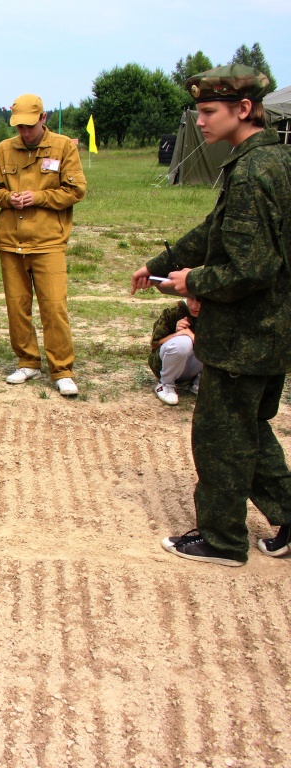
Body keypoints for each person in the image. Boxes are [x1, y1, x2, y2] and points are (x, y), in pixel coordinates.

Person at [131, 64, 291, 566]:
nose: (200, 121)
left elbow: (252, 267)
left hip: (245, 335)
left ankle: (222, 541)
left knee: (221, 438)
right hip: (273, 332)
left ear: (244, 110)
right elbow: (214, 231)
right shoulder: (276, 161)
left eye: (208, 111)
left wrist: (189, 281)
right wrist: (160, 263)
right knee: (249, 427)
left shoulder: (251, 172)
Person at [0, 93, 86, 397]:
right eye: (20, 127)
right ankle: (27, 360)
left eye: (30, 126)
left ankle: (62, 369)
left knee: (54, 306)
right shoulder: (4, 149)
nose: (25, 133)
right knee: (17, 306)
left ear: (43, 119)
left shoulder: (63, 147)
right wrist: (9, 198)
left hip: (48, 242)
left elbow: (76, 189)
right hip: (11, 241)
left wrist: (39, 197)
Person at [148, 296, 202, 406]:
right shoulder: (174, 310)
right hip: (164, 363)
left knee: (212, 346)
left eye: (200, 301)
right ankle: (165, 384)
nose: (194, 305)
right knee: (182, 343)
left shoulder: (215, 314)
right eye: (191, 299)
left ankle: (199, 383)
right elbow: (155, 344)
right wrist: (177, 334)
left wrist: (192, 336)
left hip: (195, 366)